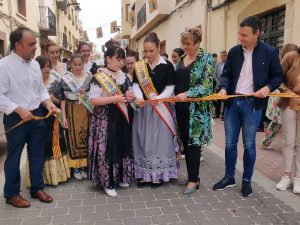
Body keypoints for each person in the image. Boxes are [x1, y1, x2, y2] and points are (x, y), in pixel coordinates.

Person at [213, 16, 284, 197]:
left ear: (257, 33)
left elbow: (277, 76)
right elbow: (227, 75)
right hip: (232, 103)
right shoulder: (235, 52)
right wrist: (223, 88)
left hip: (252, 105)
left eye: (244, 35)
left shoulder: (269, 52)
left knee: (249, 145)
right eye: (240, 34)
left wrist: (267, 88)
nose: (240, 38)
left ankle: (246, 181)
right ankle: (229, 177)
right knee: (229, 144)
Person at [0, 27, 57, 208]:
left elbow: (40, 89)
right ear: (18, 45)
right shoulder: (3, 65)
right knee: (14, 157)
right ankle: (11, 194)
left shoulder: (34, 64)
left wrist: (49, 104)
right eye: (31, 44)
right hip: (16, 119)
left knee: (37, 154)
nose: (35, 48)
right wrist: (18, 109)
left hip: (36, 116)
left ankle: (37, 188)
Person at [133, 32, 178, 188]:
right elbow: (136, 85)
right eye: (145, 51)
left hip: (161, 109)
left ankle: (158, 175)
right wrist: (139, 97)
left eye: (151, 51)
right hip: (144, 110)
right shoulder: (140, 66)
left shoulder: (167, 65)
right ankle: (144, 175)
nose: (148, 54)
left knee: (160, 143)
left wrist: (158, 99)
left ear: (159, 48)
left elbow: (170, 87)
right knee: (143, 141)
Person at [88, 45, 135, 197]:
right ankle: (107, 182)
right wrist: (114, 98)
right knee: (107, 149)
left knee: (121, 144)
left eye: (123, 59)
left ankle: (121, 176)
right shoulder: (100, 76)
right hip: (105, 119)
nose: (121, 63)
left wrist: (130, 96)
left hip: (121, 118)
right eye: (118, 59)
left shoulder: (123, 76)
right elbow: (93, 100)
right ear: (108, 59)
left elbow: (131, 95)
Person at [174, 27, 215, 195]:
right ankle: (192, 175)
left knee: (194, 145)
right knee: (185, 142)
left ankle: (193, 180)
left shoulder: (206, 59)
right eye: (183, 43)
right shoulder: (181, 59)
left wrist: (188, 94)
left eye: (188, 43)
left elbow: (207, 86)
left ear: (197, 43)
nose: (185, 47)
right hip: (180, 108)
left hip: (196, 111)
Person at [35, 55, 70, 186]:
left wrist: (64, 117)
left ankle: (58, 175)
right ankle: (42, 178)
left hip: (54, 119)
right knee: (41, 146)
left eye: (48, 66)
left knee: (57, 144)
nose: (46, 69)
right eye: (42, 67)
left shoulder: (55, 81)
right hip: (39, 120)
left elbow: (62, 101)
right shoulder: (33, 83)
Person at [60, 53, 93, 180]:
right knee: (73, 137)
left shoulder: (89, 77)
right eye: (75, 64)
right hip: (71, 109)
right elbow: (62, 99)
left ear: (83, 64)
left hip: (86, 109)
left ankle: (85, 165)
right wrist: (63, 117)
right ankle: (75, 167)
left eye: (80, 64)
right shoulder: (66, 78)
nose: (78, 67)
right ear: (70, 65)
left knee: (86, 134)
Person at [261, 44, 298, 150]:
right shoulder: (286, 64)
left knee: (276, 124)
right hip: (281, 99)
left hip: (283, 98)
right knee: (277, 124)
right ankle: (266, 143)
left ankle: (266, 143)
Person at [276, 45, 300, 194]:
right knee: (289, 141)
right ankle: (287, 176)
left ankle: (298, 177)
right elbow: (278, 78)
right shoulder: (292, 56)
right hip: (288, 103)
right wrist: (288, 92)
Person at [214, 50, 227, 119]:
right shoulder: (217, 64)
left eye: (224, 55)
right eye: (222, 55)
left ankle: (224, 114)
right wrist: (219, 83)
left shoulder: (228, 64)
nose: (223, 57)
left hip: (225, 85)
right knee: (218, 99)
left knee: (225, 100)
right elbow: (215, 74)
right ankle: (217, 113)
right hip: (218, 84)